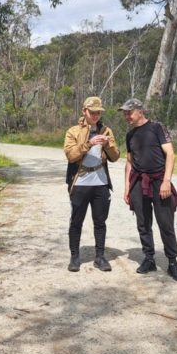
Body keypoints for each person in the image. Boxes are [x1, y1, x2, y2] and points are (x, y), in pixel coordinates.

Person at [119, 98, 177, 281]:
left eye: (129, 112)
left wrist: (166, 181)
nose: (126, 116)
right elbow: (129, 162)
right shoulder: (130, 135)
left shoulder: (157, 128)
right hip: (139, 182)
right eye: (124, 113)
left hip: (159, 180)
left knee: (165, 223)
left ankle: (172, 262)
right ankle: (149, 259)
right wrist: (127, 188)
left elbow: (170, 154)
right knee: (143, 223)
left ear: (140, 111)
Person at [64, 96, 120, 272]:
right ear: (84, 111)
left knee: (100, 221)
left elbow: (115, 157)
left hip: (100, 182)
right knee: (76, 221)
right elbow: (71, 156)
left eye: (98, 112)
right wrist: (89, 143)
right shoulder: (72, 131)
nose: (96, 115)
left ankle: (100, 257)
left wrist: (108, 144)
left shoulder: (106, 130)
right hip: (80, 182)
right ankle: (74, 257)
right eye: (92, 112)